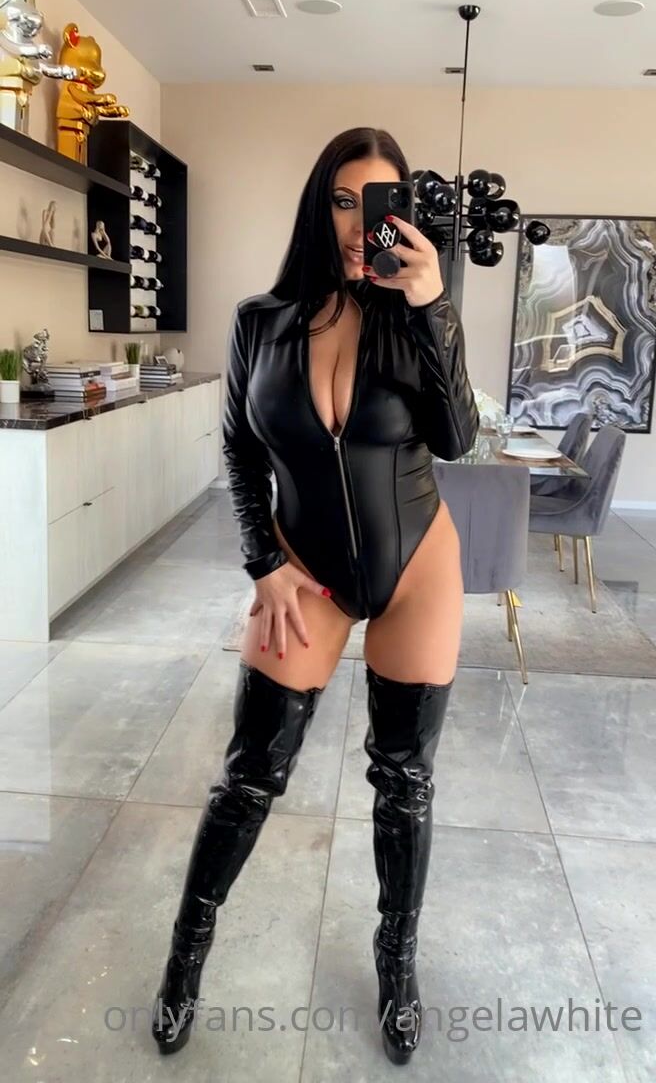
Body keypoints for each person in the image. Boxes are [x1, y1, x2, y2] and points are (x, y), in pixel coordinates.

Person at [152, 126, 479, 1064]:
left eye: (377, 202)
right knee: (251, 773)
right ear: (317, 204)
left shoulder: (416, 314)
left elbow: (457, 438)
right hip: (306, 569)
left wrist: (432, 305)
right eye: (343, 199)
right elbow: (238, 450)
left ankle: (397, 965)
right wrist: (264, 563)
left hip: (417, 565)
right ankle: (184, 959)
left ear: (401, 213)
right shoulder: (261, 320)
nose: (357, 222)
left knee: (404, 780)